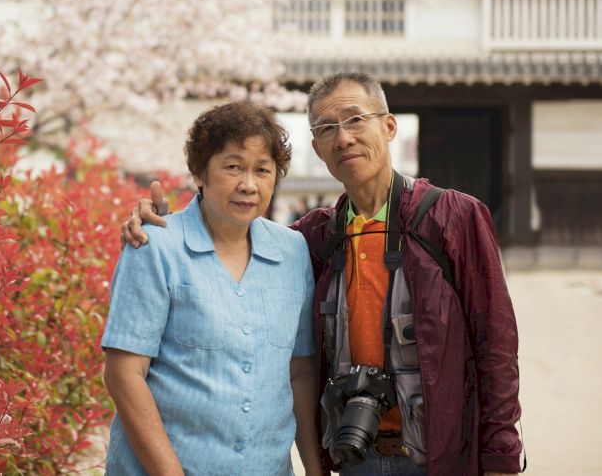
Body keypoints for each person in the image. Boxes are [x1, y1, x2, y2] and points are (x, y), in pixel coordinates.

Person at [121, 73, 524, 476]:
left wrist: (501, 457)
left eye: (355, 120)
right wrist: (158, 221)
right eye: (327, 129)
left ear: (388, 126)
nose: (343, 138)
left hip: (440, 457)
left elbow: (497, 345)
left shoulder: (452, 217)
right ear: (317, 147)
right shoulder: (312, 238)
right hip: (355, 455)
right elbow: (230, 231)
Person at [103, 101, 323, 475]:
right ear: (199, 172)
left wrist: (315, 472)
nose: (248, 184)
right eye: (233, 166)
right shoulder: (155, 247)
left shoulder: (293, 251)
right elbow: (123, 373)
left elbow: (299, 371)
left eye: (262, 170)